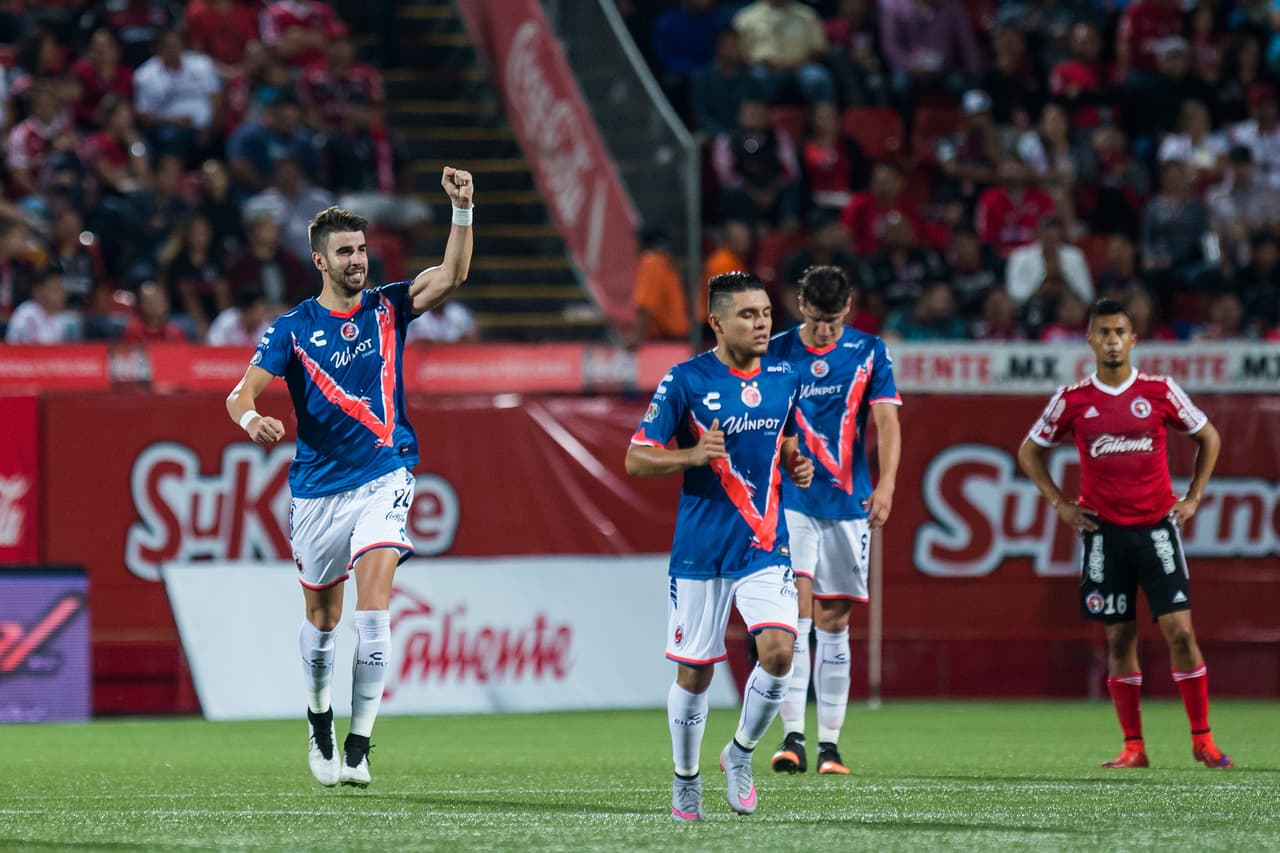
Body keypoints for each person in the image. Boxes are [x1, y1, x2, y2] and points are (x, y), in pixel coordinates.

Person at [224, 167, 475, 788]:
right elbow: (239, 394)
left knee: (376, 605)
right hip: (317, 492)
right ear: (320, 261)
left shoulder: (389, 306)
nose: (358, 259)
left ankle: (359, 746)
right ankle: (320, 722)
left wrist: (462, 209)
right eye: (345, 252)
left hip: (385, 474)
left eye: (362, 249)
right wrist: (253, 419)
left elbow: (451, 276)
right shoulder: (292, 328)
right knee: (323, 618)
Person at [626, 271, 814, 821]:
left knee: (780, 653)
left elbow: (785, 439)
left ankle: (741, 753)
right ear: (717, 322)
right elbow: (636, 457)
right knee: (695, 674)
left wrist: (795, 461)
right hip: (701, 550)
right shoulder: (685, 380)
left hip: (765, 543)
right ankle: (686, 779)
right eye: (748, 315)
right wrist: (690, 456)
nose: (762, 324)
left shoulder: (784, 376)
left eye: (766, 313)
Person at [1017, 298, 1232, 771]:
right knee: (1118, 640)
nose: (1112, 341)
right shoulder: (1072, 399)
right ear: (1090, 340)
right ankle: (1134, 747)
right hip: (1103, 535)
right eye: (1104, 333)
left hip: (1156, 530)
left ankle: (1203, 739)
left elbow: (1209, 437)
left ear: (1133, 340)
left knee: (1181, 633)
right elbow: (1028, 451)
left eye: (1120, 332)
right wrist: (1060, 504)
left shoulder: (1159, 390)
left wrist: (1193, 497)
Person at [765, 265, 901, 776]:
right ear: (801, 306)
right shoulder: (776, 351)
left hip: (849, 503)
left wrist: (887, 485)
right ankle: (793, 739)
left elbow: (887, 421)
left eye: (833, 321)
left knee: (835, 621)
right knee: (797, 617)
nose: (823, 331)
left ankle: (830, 746)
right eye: (816, 320)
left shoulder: (870, 351)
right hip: (792, 501)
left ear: (848, 308)